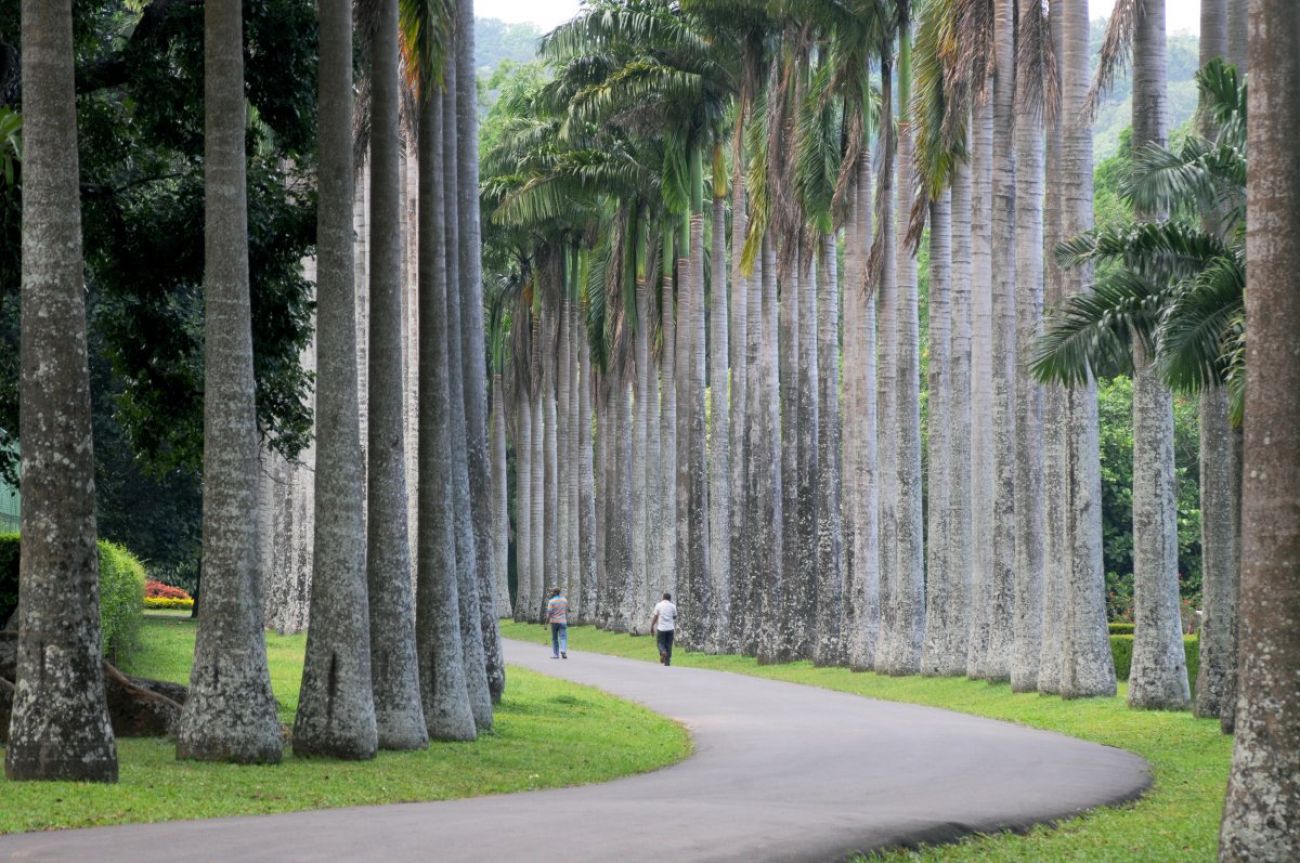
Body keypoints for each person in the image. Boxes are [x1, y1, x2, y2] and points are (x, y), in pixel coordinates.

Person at [650, 592, 677, 666]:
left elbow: (655, 616)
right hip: (670, 628)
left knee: (660, 643)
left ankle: (663, 652)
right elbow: (675, 616)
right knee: (669, 645)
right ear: (670, 599)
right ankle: (667, 661)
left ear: (663, 598)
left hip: (661, 628)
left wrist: (652, 626)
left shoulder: (658, 605)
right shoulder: (673, 606)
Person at [542, 586, 569, 659]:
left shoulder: (551, 601)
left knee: (554, 638)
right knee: (563, 637)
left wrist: (546, 623)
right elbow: (566, 611)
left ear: (554, 592)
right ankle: (563, 650)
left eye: (552, 591)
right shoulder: (564, 600)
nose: (551, 593)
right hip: (563, 621)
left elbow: (549, 613)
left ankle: (556, 654)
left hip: (554, 621)